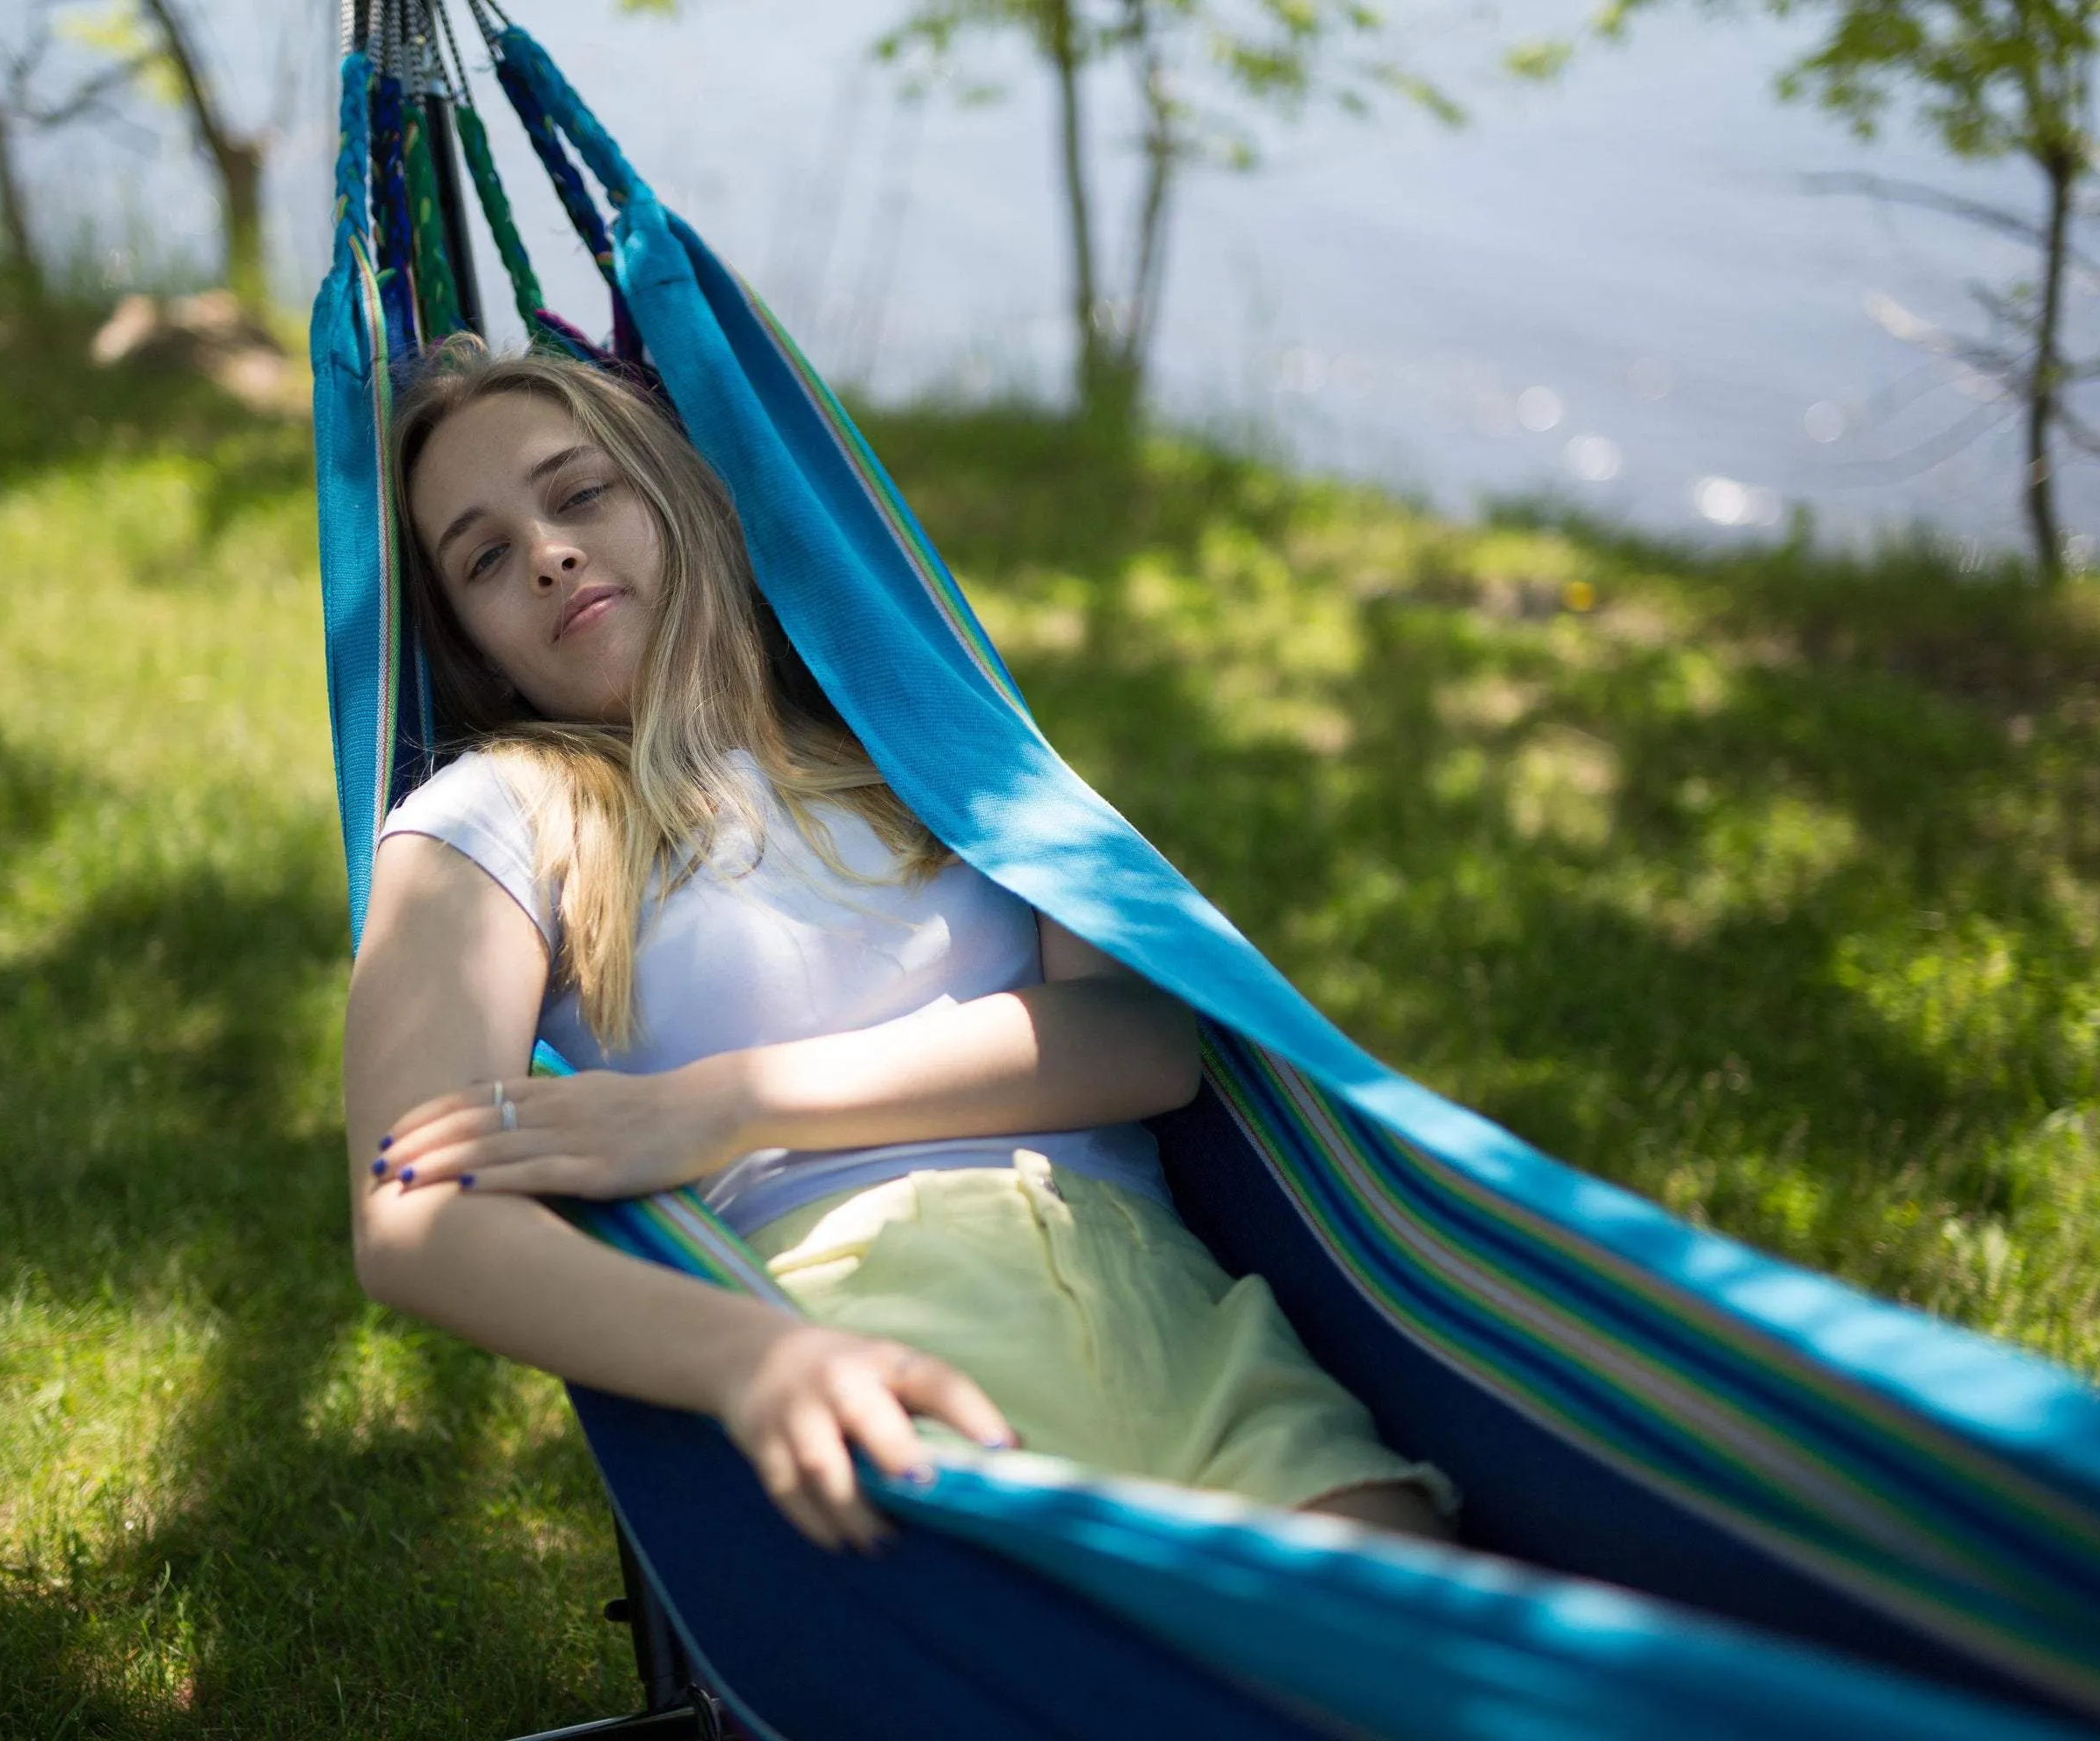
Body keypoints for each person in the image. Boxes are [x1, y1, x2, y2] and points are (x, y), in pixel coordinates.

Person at [344, 336, 1456, 1553]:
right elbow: (415, 1217)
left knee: (1438, 1647)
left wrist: (719, 1107)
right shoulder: (499, 811)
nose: (551, 555)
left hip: (1169, 1297)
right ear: (474, 649)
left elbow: (1141, 1039)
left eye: (581, 492)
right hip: (870, 1327)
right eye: (487, 558)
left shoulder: (916, 727)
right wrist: (757, 1362)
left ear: (679, 494)